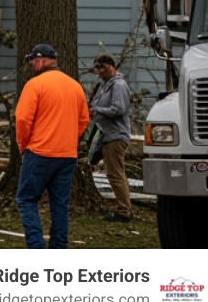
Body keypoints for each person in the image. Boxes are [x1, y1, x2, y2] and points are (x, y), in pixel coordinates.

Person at [14, 43, 90, 249]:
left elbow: (22, 119)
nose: (31, 64)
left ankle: (37, 247)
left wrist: (24, 146)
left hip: (39, 151)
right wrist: (69, 139)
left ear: (40, 60)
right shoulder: (75, 86)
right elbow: (84, 120)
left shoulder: (35, 85)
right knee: (59, 204)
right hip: (66, 154)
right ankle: (58, 248)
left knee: (26, 199)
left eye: (32, 61)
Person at [89, 53, 133, 222]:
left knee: (115, 174)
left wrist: (97, 110)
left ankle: (124, 210)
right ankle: (124, 207)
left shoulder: (118, 85)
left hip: (116, 135)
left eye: (103, 67)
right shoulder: (104, 86)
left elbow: (118, 109)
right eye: (97, 68)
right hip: (106, 135)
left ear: (111, 66)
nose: (100, 72)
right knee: (112, 172)